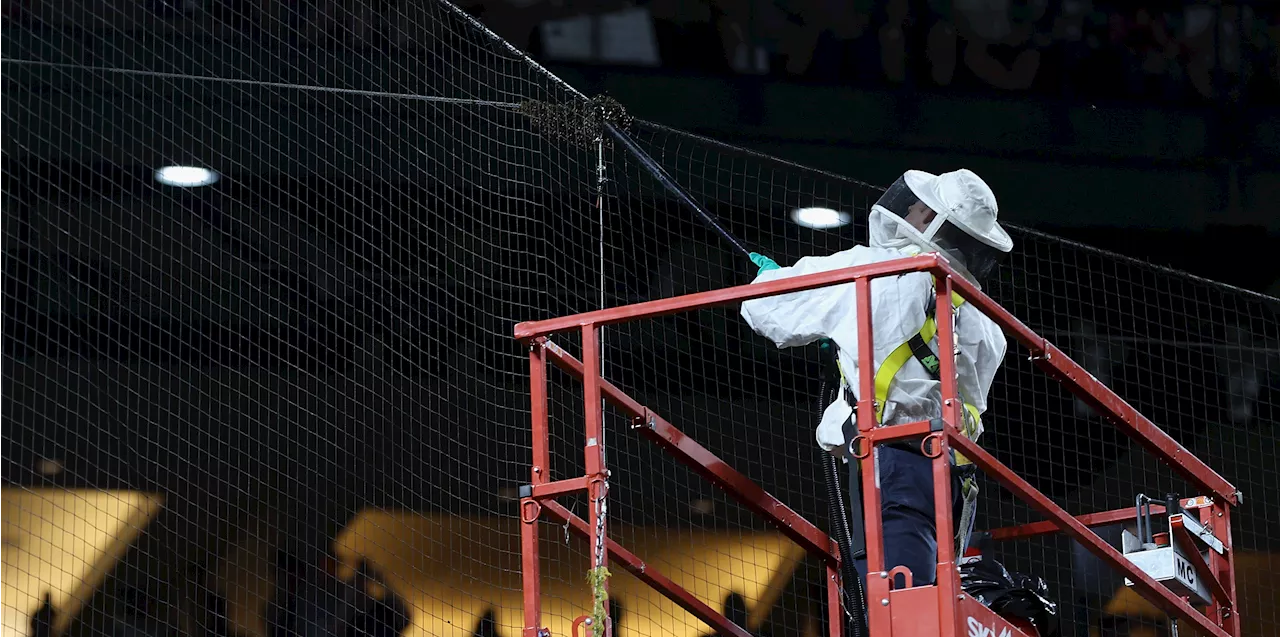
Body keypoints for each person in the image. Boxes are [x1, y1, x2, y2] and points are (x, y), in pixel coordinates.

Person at [740, 168, 1011, 590]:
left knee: (897, 600)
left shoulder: (871, 270)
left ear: (929, 219)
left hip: (891, 459)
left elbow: (766, 310)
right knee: (934, 596)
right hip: (957, 480)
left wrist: (768, 279)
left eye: (920, 208)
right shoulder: (987, 324)